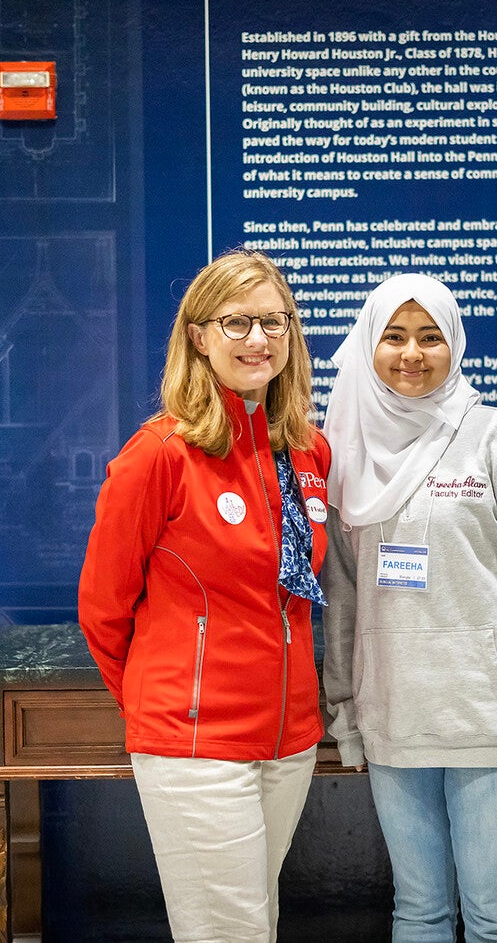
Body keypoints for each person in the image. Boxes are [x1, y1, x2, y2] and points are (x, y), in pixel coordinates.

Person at [78, 249, 330, 943]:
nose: (259, 339)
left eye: (274, 321)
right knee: (229, 934)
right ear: (199, 335)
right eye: (238, 321)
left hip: (290, 741)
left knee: (256, 922)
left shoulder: (308, 451)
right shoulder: (159, 454)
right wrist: (164, 706)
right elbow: (103, 606)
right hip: (197, 744)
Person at [321, 272, 497, 943]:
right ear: (368, 346)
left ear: (454, 344)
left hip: (489, 724)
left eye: (430, 336)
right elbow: (341, 597)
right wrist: (347, 712)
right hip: (392, 720)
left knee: (495, 918)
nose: (412, 353)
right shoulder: (347, 453)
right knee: (419, 912)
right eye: (395, 336)